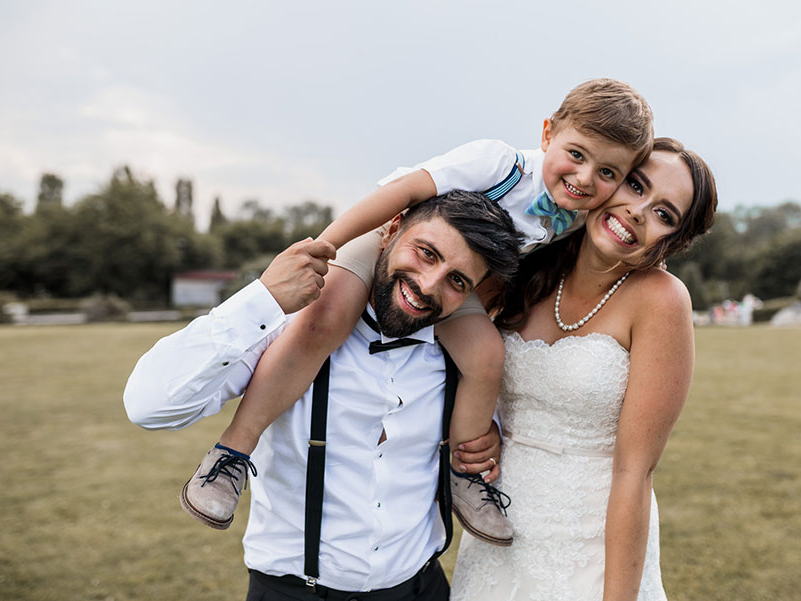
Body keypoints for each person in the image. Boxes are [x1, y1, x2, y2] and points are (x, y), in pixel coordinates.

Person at [182, 79, 655, 545]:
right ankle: (230, 454)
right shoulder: (499, 163)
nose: (586, 178)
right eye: (576, 154)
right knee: (324, 319)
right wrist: (328, 245)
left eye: (608, 173)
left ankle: (465, 476)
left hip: (453, 281)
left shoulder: (580, 214)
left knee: (487, 356)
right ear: (548, 132)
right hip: (397, 242)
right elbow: (406, 192)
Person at [124, 191, 522, 601]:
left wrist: (485, 441)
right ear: (392, 228)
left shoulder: (466, 357)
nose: (427, 285)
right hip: (294, 592)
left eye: (458, 281)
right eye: (426, 253)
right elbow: (149, 406)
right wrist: (263, 299)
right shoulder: (290, 327)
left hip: (423, 587)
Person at [450, 138, 718, 601]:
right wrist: (484, 429)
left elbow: (635, 472)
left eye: (664, 214)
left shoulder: (661, 300)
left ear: (672, 240)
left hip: (591, 545)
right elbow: (451, 334)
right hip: (501, 532)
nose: (638, 211)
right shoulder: (527, 264)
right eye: (636, 185)